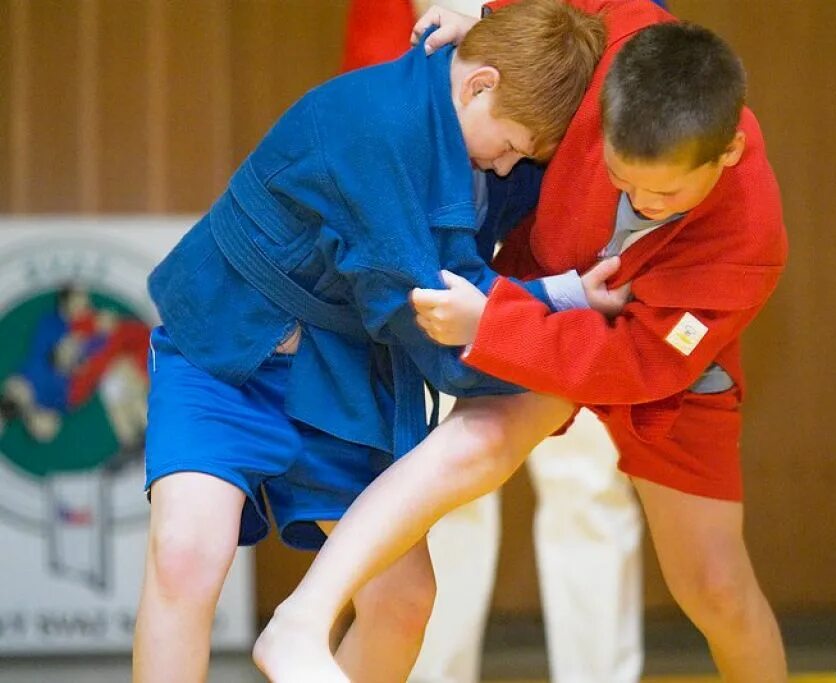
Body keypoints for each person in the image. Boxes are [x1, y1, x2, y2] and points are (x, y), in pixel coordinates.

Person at [259, 2, 789, 682]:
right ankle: (304, 616)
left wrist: (494, 326)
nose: (640, 201)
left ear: (729, 155)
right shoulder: (623, 29)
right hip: (556, 292)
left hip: (658, 356)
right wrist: (479, 13)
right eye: (622, 178)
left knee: (715, 584)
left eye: (664, 193)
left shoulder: (748, 244)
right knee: (478, 443)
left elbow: (637, 362)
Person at [131, 3, 606, 682]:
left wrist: (564, 301)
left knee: (404, 600)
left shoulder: (481, 119)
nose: (508, 168)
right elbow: (434, 322)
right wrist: (568, 332)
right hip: (225, 352)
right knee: (184, 555)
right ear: (479, 85)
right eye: (509, 145)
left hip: (339, 369)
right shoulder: (377, 126)